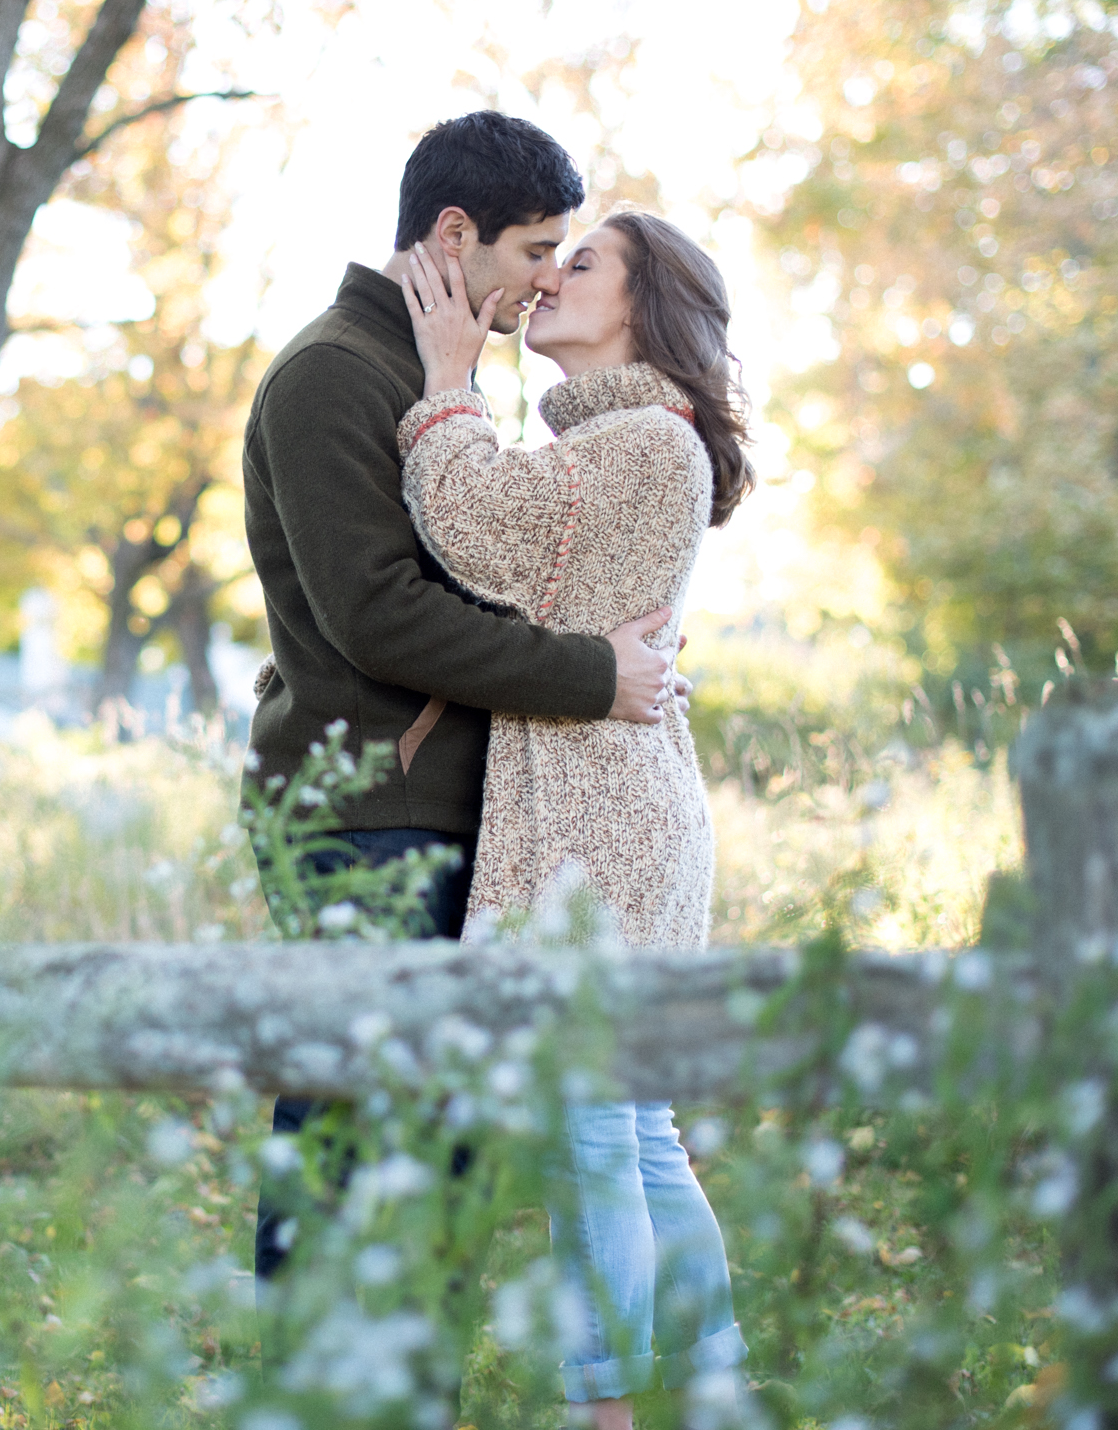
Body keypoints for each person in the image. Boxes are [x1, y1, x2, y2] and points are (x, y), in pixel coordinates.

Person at [239, 110, 688, 1296]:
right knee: (347, 1170)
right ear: (456, 232)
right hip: (367, 824)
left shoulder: (434, 375)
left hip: (444, 819)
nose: (547, 279)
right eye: (537, 250)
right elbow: (379, 614)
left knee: (434, 1183)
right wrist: (597, 674)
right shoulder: (337, 372)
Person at [395, 206, 753, 1425]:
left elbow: (477, 535)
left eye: (581, 263)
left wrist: (446, 382)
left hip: (597, 830)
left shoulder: (650, 439)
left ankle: (610, 1411)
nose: (550, 278)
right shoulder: (636, 442)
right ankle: (708, 1395)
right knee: (634, 1133)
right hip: (618, 813)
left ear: (644, 310)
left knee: (593, 1136)